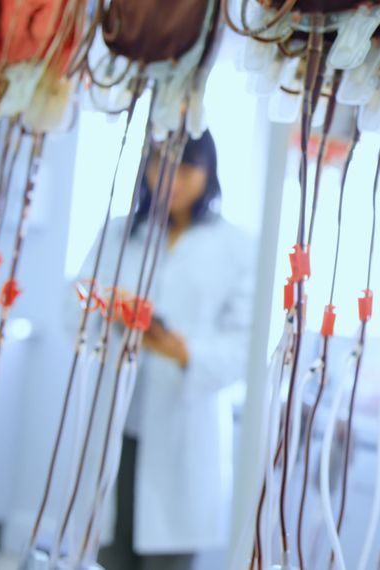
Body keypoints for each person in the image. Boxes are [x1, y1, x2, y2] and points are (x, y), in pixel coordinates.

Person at [75, 131, 254, 570]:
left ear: (209, 173)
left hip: (184, 419)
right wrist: (112, 310)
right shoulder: (119, 234)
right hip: (120, 418)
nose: (171, 177)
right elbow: (75, 303)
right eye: (160, 163)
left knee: (168, 556)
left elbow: (244, 346)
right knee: (111, 549)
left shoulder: (236, 247)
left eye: (187, 167)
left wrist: (182, 350)